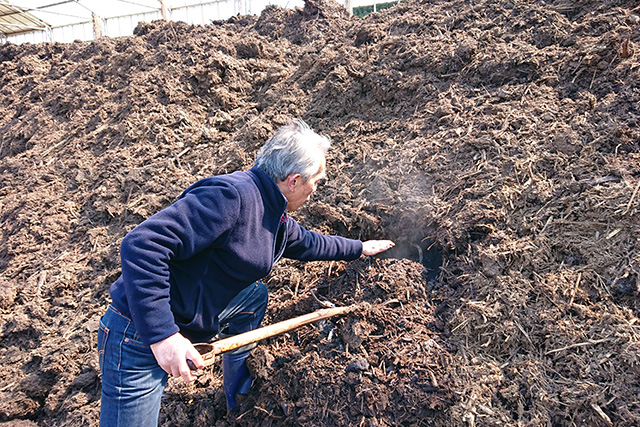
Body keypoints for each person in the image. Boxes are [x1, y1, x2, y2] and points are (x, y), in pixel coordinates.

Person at [97, 119, 394, 426]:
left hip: (190, 311)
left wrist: (359, 248)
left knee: (252, 297)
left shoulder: (271, 209)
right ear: (293, 181)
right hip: (136, 335)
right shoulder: (231, 198)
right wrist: (164, 336)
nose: (315, 190)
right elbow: (143, 244)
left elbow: (306, 242)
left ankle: (238, 394)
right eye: (315, 181)